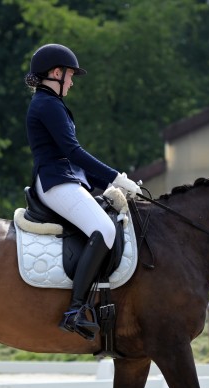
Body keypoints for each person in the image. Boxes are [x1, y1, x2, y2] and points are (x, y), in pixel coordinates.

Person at [24, 43, 142, 340]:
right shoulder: (47, 104)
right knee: (103, 229)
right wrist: (116, 176)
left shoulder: (52, 103)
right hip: (55, 182)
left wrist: (114, 184)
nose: (72, 81)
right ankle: (75, 310)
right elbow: (73, 153)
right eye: (70, 75)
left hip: (66, 178)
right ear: (55, 73)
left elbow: (75, 162)